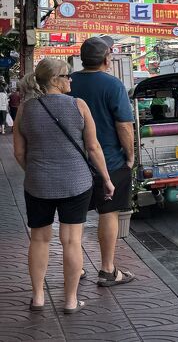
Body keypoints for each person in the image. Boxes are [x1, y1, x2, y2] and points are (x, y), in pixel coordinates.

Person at [13, 58, 114, 313]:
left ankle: (37, 297)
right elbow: (93, 147)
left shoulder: (25, 109)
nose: (71, 80)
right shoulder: (79, 106)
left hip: (37, 184)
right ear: (55, 79)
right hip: (75, 183)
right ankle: (70, 301)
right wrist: (106, 179)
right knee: (71, 241)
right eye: (67, 76)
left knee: (39, 239)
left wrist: (35, 171)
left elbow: (18, 153)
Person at [70, 36, 136, 287]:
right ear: (107, 59)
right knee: (109, 213)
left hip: (76, 162)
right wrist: (129, 157)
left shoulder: (69, 82)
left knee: (74, 217)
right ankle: (107, 269)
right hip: (109, 161)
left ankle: (76, 268)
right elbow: (124, 126)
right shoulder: (113, 85)